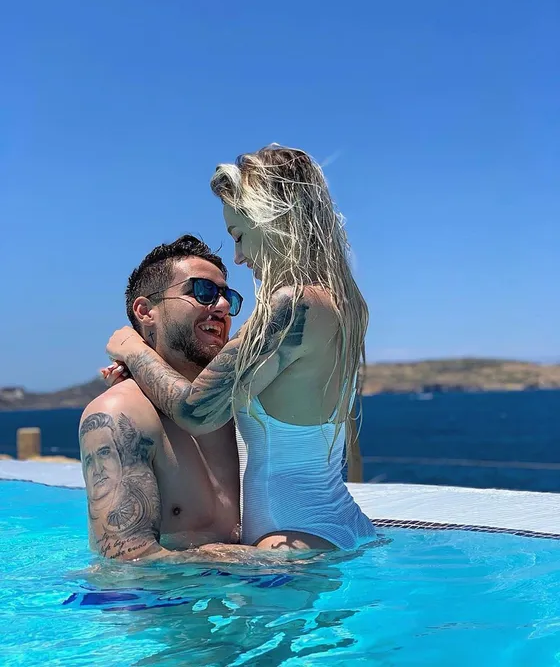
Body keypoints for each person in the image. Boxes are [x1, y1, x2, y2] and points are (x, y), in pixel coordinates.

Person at [106, 145, 376, 552]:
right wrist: (148, 374)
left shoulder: (292, 305)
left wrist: (131, 348)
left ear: (271, 221)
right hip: (338, 525)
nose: (238, 257)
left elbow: (197, 411)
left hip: (294, 539)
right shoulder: (343, 303)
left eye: (239, 236)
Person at [80, 235, 249, 562]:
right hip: (182, 596)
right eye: (202, 291)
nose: (223, 307)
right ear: (146, 312)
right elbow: (128, 564)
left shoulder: (243, 406)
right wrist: (262, 561)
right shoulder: (120, 414)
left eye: (227, 297)